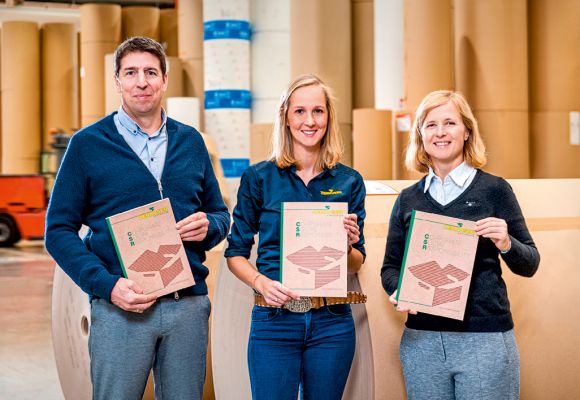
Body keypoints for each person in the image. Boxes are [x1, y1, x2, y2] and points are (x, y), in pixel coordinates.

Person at [45, 37, 230, 400]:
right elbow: (58, 231)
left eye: (150, 72)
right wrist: (106, 285)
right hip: (121, 308)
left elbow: (220, 213)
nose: (141, 81)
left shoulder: (191, 142)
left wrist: (211, 225)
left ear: (164, 79)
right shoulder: (87, 145)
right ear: (117, 81)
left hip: (187, 306)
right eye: (130, 72)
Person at [381, 90, 540, 399]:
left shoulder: (494, 190)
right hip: (421, 342)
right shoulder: (408, 198)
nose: (440, 132)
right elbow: (390, 267)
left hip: (484, 340)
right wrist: (397, 289)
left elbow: (530, 263)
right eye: (430, 124)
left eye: (450, 122)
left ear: (467, 131)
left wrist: (506, 242)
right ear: (420, 134)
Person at [225, 74, 366, 400]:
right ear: (286, 117)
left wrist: (346, 246)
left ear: (328, 117)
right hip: (274, 321)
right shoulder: (258, 178)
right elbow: (235, 253)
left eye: (318, 111)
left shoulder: (349, 181)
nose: (309, 121)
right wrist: (261, 283)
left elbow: (357, 262)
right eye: (300, 111)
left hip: (332, 323)